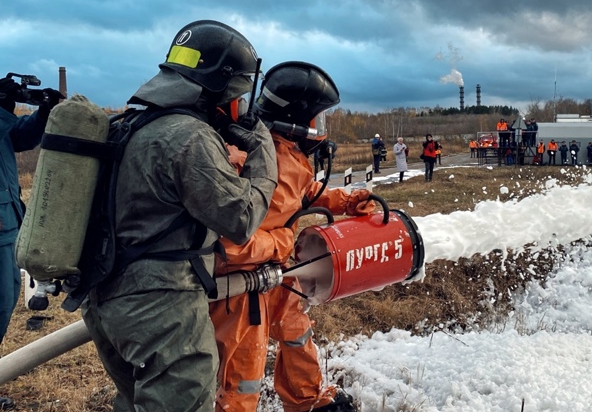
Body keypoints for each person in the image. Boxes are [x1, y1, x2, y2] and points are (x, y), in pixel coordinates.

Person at [81, 20, 279, 412]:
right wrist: (263, 150)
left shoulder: (127, 125)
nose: (240, 107)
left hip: (104, 300)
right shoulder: (188, 136)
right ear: (217, 87)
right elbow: (241, 219)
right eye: (238, 94)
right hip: (161, 309)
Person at [212, 61, 373, 412]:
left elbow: (302, 190)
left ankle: (307, 401)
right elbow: (227, 245)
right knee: (243, 370)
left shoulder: (284, 154)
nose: (321, 129)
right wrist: (282, 242)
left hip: (272, 274)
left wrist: (347, 201)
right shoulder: (255, 160)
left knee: (296, 330)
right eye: (318, 119)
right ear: (297, 118)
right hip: (240, 286)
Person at [0, 75, 62, 410]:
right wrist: (2, 108)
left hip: (7, 223)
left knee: (4, 301)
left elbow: (19, 138)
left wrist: (43, 114)